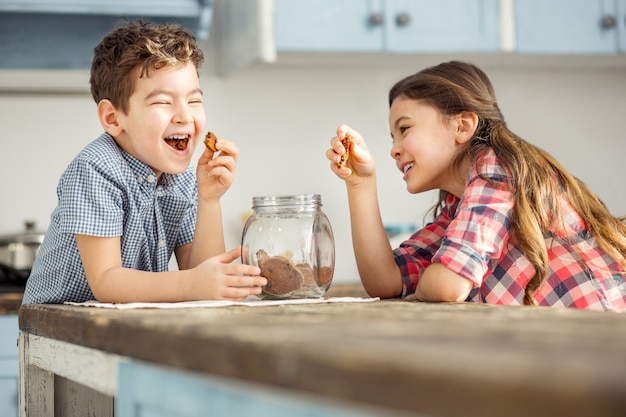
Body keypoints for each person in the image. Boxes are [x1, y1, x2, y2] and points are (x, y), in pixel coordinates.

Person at [327, 60, 626, 311]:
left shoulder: (497, 169)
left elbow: (447, 285)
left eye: (404, 129)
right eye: (393, 137)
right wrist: (361, 183)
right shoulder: (459, 208)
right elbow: (386, 281)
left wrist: (429, 286)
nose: (394, 149)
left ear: (462, 126)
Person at [23, 20, 266, 304]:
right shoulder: (97, 169)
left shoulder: (183, 180)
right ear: (113, 118)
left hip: (121, 327)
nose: (184, 116)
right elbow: (106, 282)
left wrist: (209, 200)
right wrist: (191, 284)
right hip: (55, 331)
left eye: (194, 100)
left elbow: (205, 278)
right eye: (163, 102)